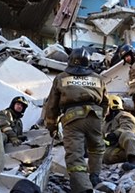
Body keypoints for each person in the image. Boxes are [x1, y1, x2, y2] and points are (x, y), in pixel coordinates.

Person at [44, 48, 108, 193]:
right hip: (95, 116)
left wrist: (51, 126)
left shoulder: (61, 77)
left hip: (72, 118)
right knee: (96, 148)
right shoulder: (98, 78)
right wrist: (100, 117)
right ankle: (95, 177)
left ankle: (83, 188)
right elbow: (105, 102)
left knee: (75, 155)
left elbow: (52, 105)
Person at [103, 95, 135, 173]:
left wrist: (115, 134)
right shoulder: (105, 122)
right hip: (115, 147)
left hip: (126, 143)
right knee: (105, 155)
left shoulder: (124, 115)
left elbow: (128, 127)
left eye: (105, 106)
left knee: (127, 134)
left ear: (113, 105)